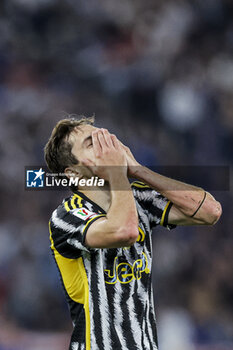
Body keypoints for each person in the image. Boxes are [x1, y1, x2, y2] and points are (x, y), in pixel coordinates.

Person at [44, 116, 222, 350]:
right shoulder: (66, 216)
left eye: (103, 136)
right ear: (72, 173)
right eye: (91, 142)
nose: (106, 143)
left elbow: (210, 211)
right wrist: (118, 173)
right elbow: (125, 231)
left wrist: (138, 171)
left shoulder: (138, 196)